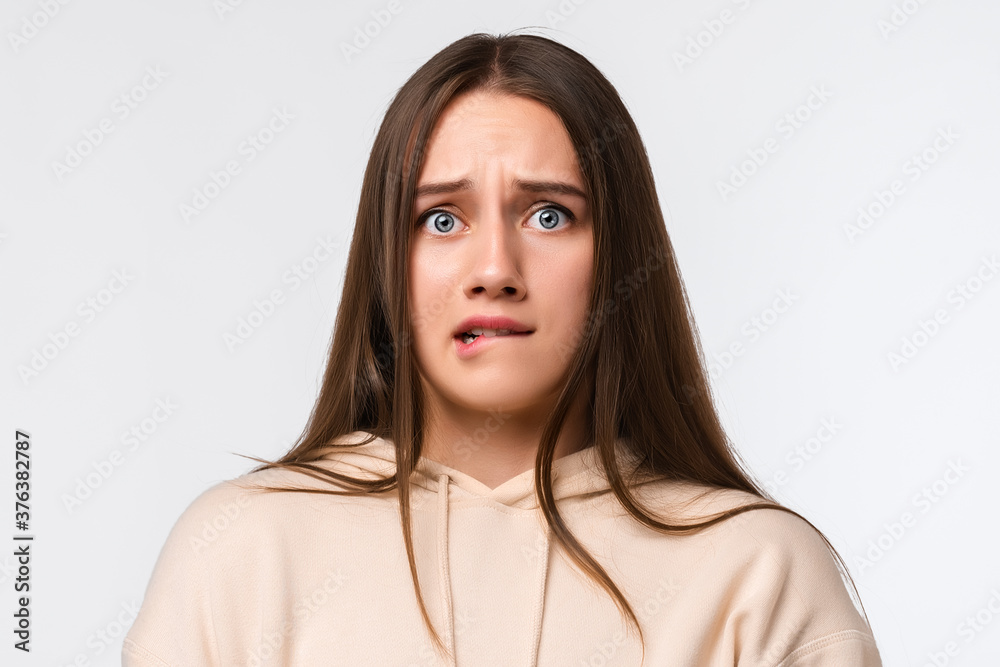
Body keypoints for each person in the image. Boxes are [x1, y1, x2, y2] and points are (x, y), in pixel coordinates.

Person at [122, 31, 883, 666]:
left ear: (619, 254)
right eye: (442, 220)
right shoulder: (240, 550)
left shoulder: (761, 573)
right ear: (388, 261)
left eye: (548, 215)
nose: (494, 270)